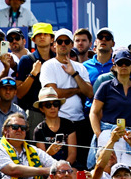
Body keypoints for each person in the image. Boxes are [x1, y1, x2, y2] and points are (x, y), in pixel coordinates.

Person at [38, 29, 92, 165]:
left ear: (71, 44)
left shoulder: (80, 67)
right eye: (59, 41)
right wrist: (77, 89)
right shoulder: (48, 65)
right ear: (54, 44)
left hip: (79, 121)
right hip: (58, 123)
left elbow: (90, 93)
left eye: (66, 41)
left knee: (81, 164)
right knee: (58, 164)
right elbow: (53, 93)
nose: (63, 44)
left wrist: (74, 74)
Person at [30, 86, 75, 164]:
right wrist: (49, 152)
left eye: (56, 104)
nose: (53, 107)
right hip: (49, 168)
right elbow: (41, 159)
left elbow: (72, 154)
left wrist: (64, 168)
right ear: (41, 109)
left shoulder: (69, 124)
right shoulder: (39, 130)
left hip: (68, 167)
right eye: (48, 105)